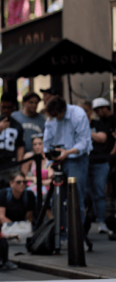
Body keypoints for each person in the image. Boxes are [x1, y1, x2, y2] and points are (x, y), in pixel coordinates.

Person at [43, 96, 92, 229]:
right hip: (57, 159)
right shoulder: (50, 117)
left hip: (76, 158)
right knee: (55, 200)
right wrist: (49, 164)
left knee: (75, 198)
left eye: (57, 115)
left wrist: (67, 152)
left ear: (63, 110)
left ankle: (77, 236)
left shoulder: (78, 114)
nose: (55, 118)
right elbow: (46, 143)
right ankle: (62, 233)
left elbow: (84, 142)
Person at [89, 98, 115, 235]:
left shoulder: (110, 121)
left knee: (103, 191)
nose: (97, 113)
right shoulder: (99, 122)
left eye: (98, 110)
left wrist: (111, 155)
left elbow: (108, 139)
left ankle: (104, 220)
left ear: (105, 107)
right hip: (93, 161)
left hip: (105, 160)